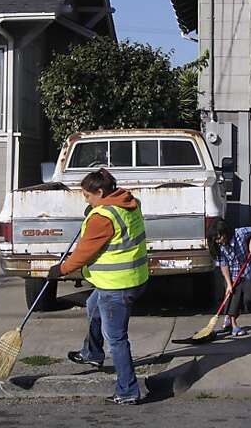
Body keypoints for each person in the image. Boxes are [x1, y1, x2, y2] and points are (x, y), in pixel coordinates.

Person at [49, 168, 149, 405]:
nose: (85, 200)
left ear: (100, 192)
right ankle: (92, 353)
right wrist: (95, 209)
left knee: (116, 338)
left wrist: (60, 270)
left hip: (117, 286)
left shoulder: (102, 218)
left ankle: (128, 391)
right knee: (93, 306)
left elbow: (84, 252)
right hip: (132, 278)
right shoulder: (129, 203)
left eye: (87, 195)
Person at [206, 218, 251, 337]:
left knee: (247, 300)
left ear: (225, 232)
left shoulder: (240, 233)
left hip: (247, 270)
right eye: (215, 239)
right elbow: (223, 265)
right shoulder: (218, 247)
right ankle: (234, 326)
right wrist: (229, 284)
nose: (218, 241)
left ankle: (229, 317)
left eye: (219, 237)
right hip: (232, 275)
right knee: (234, 299)